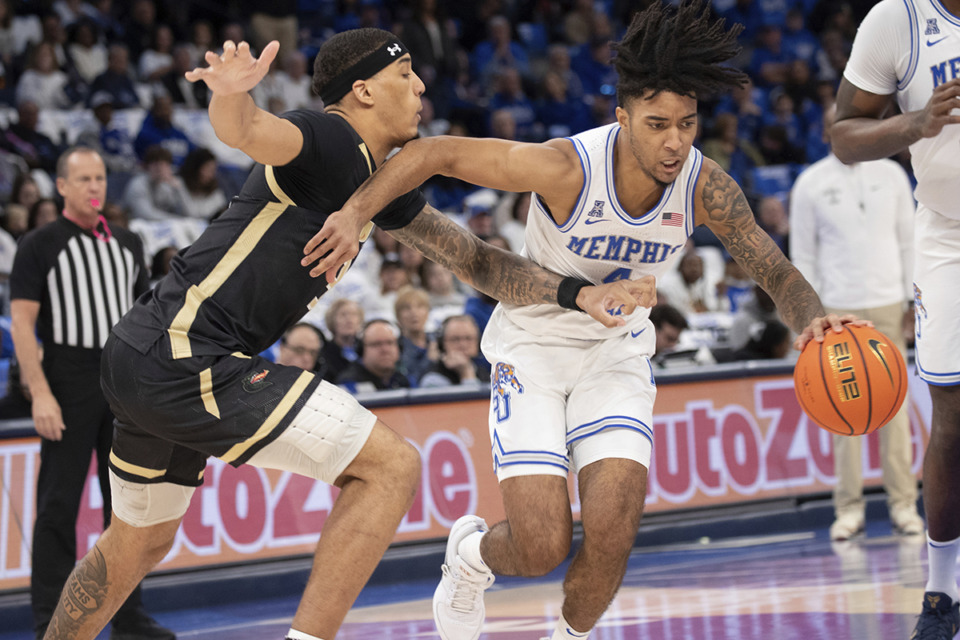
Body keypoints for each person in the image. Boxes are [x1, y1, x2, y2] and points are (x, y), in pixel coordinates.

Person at [43, 29, 652, 640]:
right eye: (405, 73)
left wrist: (578, 293)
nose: (420, 85)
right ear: (362, 90)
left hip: (139, 354)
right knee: (389, 468)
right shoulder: (329, 139)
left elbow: (478, 262)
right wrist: (230, 96)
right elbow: (252, 131)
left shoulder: (375, 184)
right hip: (186, 354)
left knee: (137, 545)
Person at [301, 4, 858, 640]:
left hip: (614, 356)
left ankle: (572, 636)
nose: (674, 141)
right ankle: (469, 557)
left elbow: (774, 269)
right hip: (534, 346)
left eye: (686, 123)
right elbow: (434, 152)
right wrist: (354, 214)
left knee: (615, 530)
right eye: (656, 125)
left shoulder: (707, 187)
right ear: (622, 120)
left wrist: (813, 319)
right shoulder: (568, 168)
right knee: (541, 546)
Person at [830, 0, 960, 635]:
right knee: (953, 414)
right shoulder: (897, 20)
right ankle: (942, 594)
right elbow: (842, 135)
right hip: (950, 235)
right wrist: (917, 122)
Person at [9, 148, 173, 640]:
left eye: (99, 177)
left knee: (126, 506)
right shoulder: (39, 244)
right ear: (60, 186)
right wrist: (40, 393)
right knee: (58, 504)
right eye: (82, 179)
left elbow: (144, 318)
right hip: (68, 377)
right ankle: (49, 622)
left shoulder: (128, 242)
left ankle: (128, 616)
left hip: (122, 379)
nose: (94, 187)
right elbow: (22, 322)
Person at [790, 104, 922, 542]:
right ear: (826, 131)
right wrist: (807, 313)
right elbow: (803, 256)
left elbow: (910, 242)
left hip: (888, 302)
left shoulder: (893, 176)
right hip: (835, 310)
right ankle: (848, 510)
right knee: (840, 411)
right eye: (833, 127)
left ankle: (904, 505)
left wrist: (910, 300)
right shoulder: (810, 183)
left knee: (895, 411)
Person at [336, 318, 411, 393]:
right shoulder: (349, 384)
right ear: (361, 350)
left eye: (390, 343)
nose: (385, 350)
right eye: (377, 344)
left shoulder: (402, 380)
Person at [419, 314, 487, 388]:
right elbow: (473, 399)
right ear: (442, 344)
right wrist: (466, 374)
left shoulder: (483, 372)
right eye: (455, 339)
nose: (463, 345)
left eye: (468, 338)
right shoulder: (432, 380)